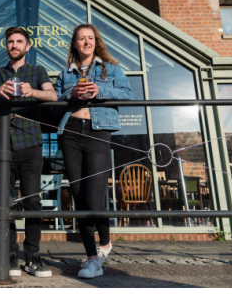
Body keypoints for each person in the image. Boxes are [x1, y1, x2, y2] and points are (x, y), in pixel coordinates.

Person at [54, 24, 133, 280]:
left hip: (98, 131)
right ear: (75, 44)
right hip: (71, 132)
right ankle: (91, 258)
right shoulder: (66, 72)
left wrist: (100, 91)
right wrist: (71, 93)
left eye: (90, 38)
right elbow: (55, 99)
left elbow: (127, 94)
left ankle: (106, 243)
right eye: (81, 38)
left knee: (95, 193)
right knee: (78, 194)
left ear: (95, 42)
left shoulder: (111, 68)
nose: (86, 42)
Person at [0, 26, 57, 277]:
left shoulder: (37, 71)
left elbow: (53, 95)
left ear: (27, 46)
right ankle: (10, 254)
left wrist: (31, 91)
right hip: (2, 146)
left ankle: (33, 256)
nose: (14, 45)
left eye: (19, 41)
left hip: (30, 144)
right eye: (11, 41)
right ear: (7, 46)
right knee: (5, 201)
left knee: (33, 200)